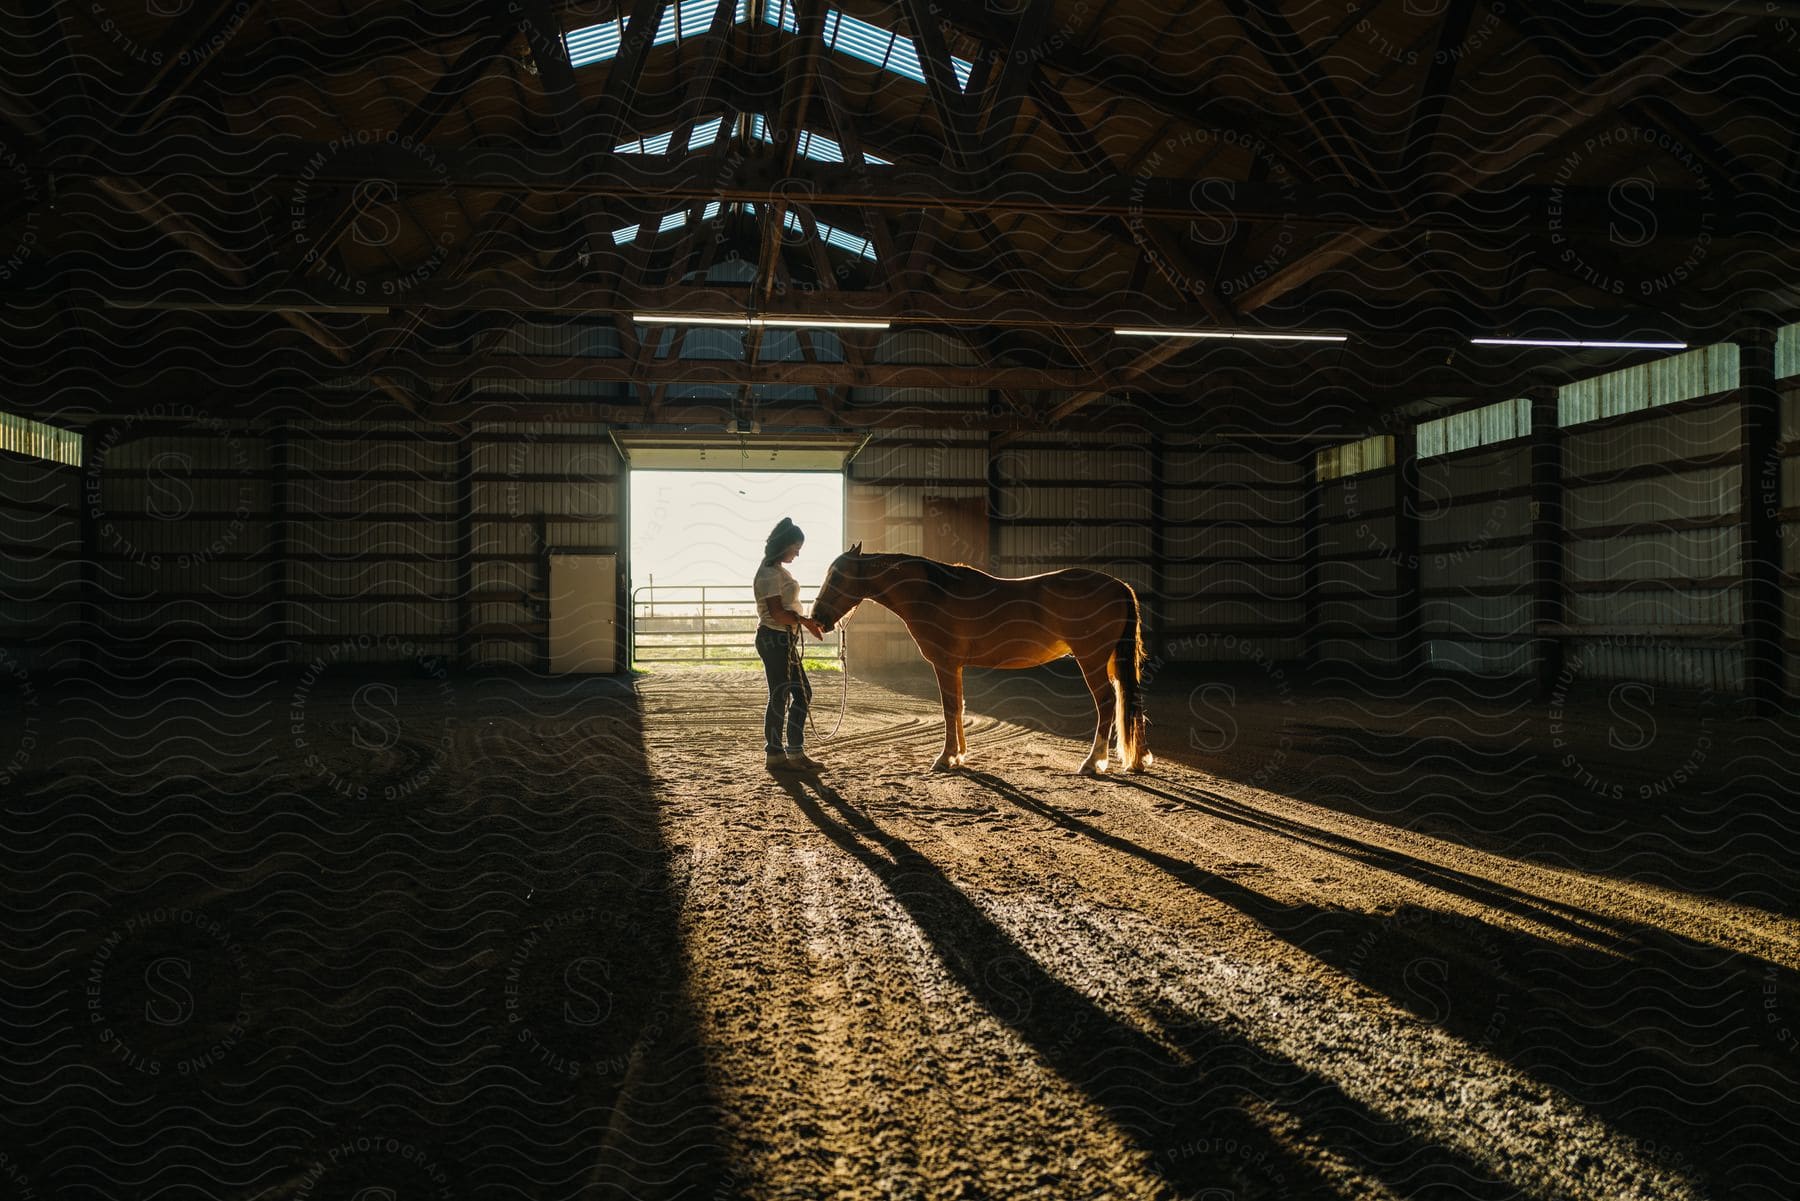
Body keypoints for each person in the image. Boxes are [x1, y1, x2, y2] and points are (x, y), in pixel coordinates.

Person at [753, 518, 826, 771]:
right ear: (783, 545)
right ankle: (787, 753)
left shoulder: (775, 570)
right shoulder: (769, 573)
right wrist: (804, 621)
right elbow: (777, 613)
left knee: (787, 694)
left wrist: (802, 622)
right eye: (795, 546)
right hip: (776, 638)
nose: (798, 552)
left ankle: (782, 753)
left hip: (781, 639)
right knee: (791, 694)